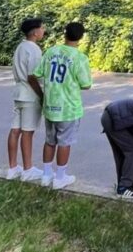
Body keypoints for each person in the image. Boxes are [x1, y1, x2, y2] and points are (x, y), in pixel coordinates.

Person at [29, 22, 92, 191]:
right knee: (64, 142)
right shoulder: (80, 58)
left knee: (50, 141)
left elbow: (36, 74)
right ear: (81, 37)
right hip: (69, 108)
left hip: (50, 105)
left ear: (65, 34)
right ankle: (60, 177)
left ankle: (46, 175)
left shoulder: (51, 51)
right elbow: (86, 84)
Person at [6, 17, 45, 182]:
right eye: (42, 28)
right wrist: (41, 95)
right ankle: (28, 169)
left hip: (18, 92)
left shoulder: (20, 47)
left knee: (15, 130)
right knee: (27, 132)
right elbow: (32, 76)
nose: (43, 31)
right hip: (30, 95)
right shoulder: (34, 49)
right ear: (35, 32)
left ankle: (13, 168)